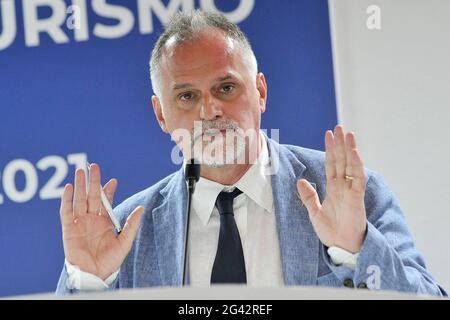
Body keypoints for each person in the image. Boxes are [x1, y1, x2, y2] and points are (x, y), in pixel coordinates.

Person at [56, 10, 446, 296]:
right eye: (187, 96)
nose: (210, 111)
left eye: (226, 87)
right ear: (161, 114)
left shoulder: (348, 194)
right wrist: (88, 286)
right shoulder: (127, 232)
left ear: (260, 91)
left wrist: (356, 249)